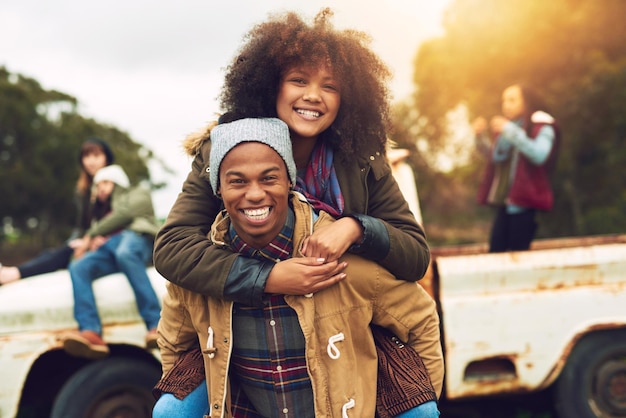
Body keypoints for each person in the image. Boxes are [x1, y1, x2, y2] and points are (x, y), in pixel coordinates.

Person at [152, 8, 434, 417]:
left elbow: (414, 254)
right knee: (170, 411)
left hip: (342, 325)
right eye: (298, 80)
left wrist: (355, 228)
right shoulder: (224, 153)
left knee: (420, 411)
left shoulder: (360, 158)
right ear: (271, 86)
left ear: (348, 98)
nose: (312, 96)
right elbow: (172, 248)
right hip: (243, 325)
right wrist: (268, 278)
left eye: (330, 86)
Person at [61, 164, 162, 359]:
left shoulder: (137, 192)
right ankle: (90, 331)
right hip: (114, 247)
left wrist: (92, 234)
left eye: (106, 182)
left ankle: (156, 324)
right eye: (97, 185)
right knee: (79, 266)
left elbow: (125, 214)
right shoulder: (102, 212)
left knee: (125, 254)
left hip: (136, 237)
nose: (101, 188)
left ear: (119, 182)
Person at [0, 138, 114, 286]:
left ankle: (12, 274)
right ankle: (14, 273)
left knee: (61, 255)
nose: (91, 161)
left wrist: (92, 239)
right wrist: (74, 242)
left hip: (105, 243)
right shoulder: (83, 191)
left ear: (107, 158)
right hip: (88, 240)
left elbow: (117, 218)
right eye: (87, 156)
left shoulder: (113, 184)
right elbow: (82, 226)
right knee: (52, 253)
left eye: (96, 156)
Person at [473, 83, 560, 252]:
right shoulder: (507, 128)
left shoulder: (542, 126)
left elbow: (539, 155)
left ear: (526, 102)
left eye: (512, 100)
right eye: (504, 100)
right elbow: (496, 156)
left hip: (524, 204)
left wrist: (510, 131)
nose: (506, 104)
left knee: (518, 255)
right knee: (495, 252)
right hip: (504, 202)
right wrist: (479, 137)